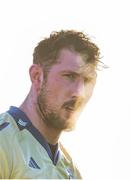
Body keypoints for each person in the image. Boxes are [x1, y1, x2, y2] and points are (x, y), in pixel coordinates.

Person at [0, 30, 100, 179]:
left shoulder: (71, 171)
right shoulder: (4, 142)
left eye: (86, 81)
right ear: (37, 77)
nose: (79, 93)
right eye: (69, 76)